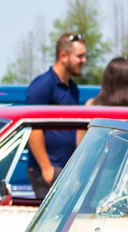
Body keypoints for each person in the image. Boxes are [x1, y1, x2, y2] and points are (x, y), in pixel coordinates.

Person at [25, 32, 87, 198]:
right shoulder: (43, 85)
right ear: (63, 56)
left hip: (67, 170)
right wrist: (46, 168)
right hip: (48, 170)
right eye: (79, 56)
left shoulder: (72, 88)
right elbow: (34, 128)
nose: (84, 61)